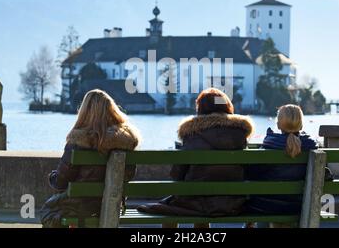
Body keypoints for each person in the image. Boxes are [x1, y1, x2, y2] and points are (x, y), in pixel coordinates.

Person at [137, 88, 254, 226]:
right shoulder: (239, 134)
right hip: (233, 204)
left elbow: (177, 174)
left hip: (195, 203)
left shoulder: (192, 133)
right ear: (227, 107)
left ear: (201, 108)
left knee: (173, 206)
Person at [40, 89, 140, 228]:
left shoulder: (77, 142)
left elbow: (61, 182)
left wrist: (53, 177)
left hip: (81, 207)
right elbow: (128, 175)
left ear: (84, 112)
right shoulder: (126, 142)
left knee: (50, 211)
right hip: (113, 204)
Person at [244, 104, 332, 228]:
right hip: (299, 207)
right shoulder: (311, 147)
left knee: (262, 204)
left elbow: (253, 175)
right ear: (301, 125)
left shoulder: (270, 145)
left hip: (267, 207)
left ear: (279, 125)